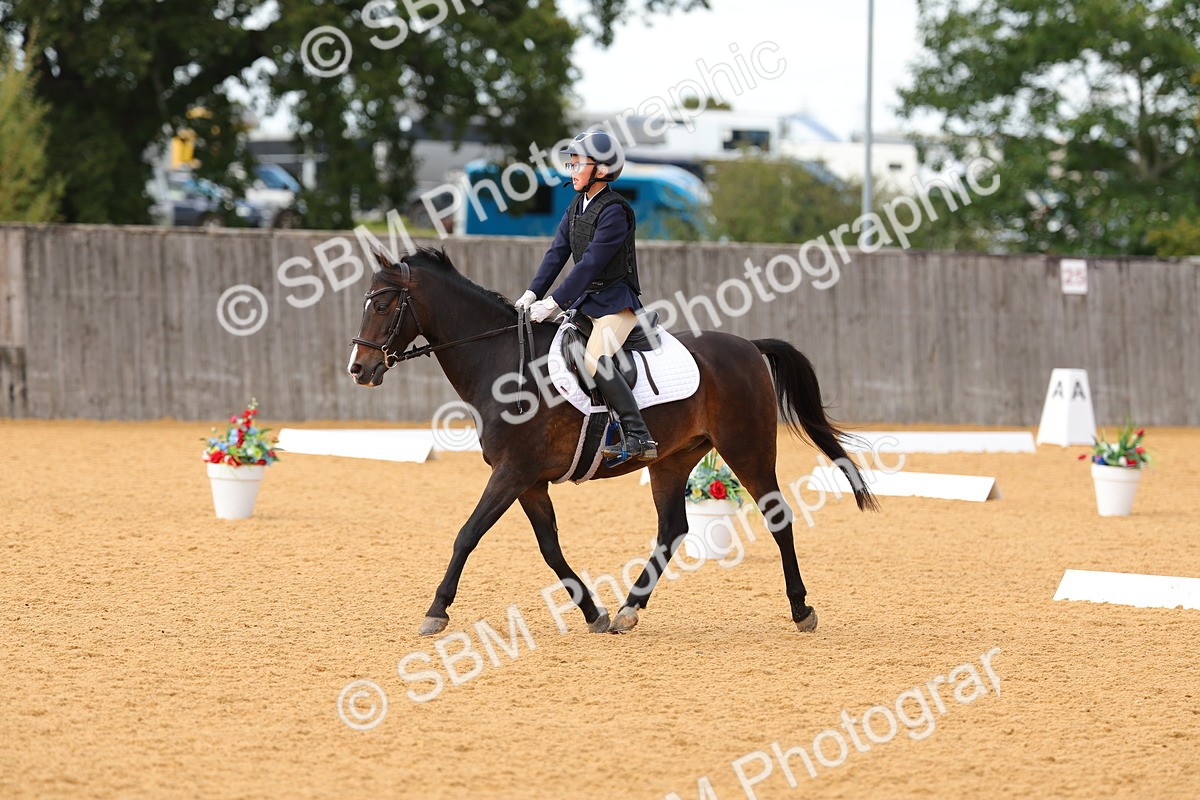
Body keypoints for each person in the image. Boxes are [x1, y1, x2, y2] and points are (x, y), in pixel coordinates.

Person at [514, 130, 657, 461]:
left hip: (615, 305)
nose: (573, 170)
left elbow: (590, 264)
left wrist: (554, 303)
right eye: (572, 164)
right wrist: (532, 293)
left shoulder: (616, 211)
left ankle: (639, 436)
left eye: (578, 163)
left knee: (594, 358)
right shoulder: (576, 205)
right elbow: (557, 253)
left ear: (602, 170)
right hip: (586, 304)